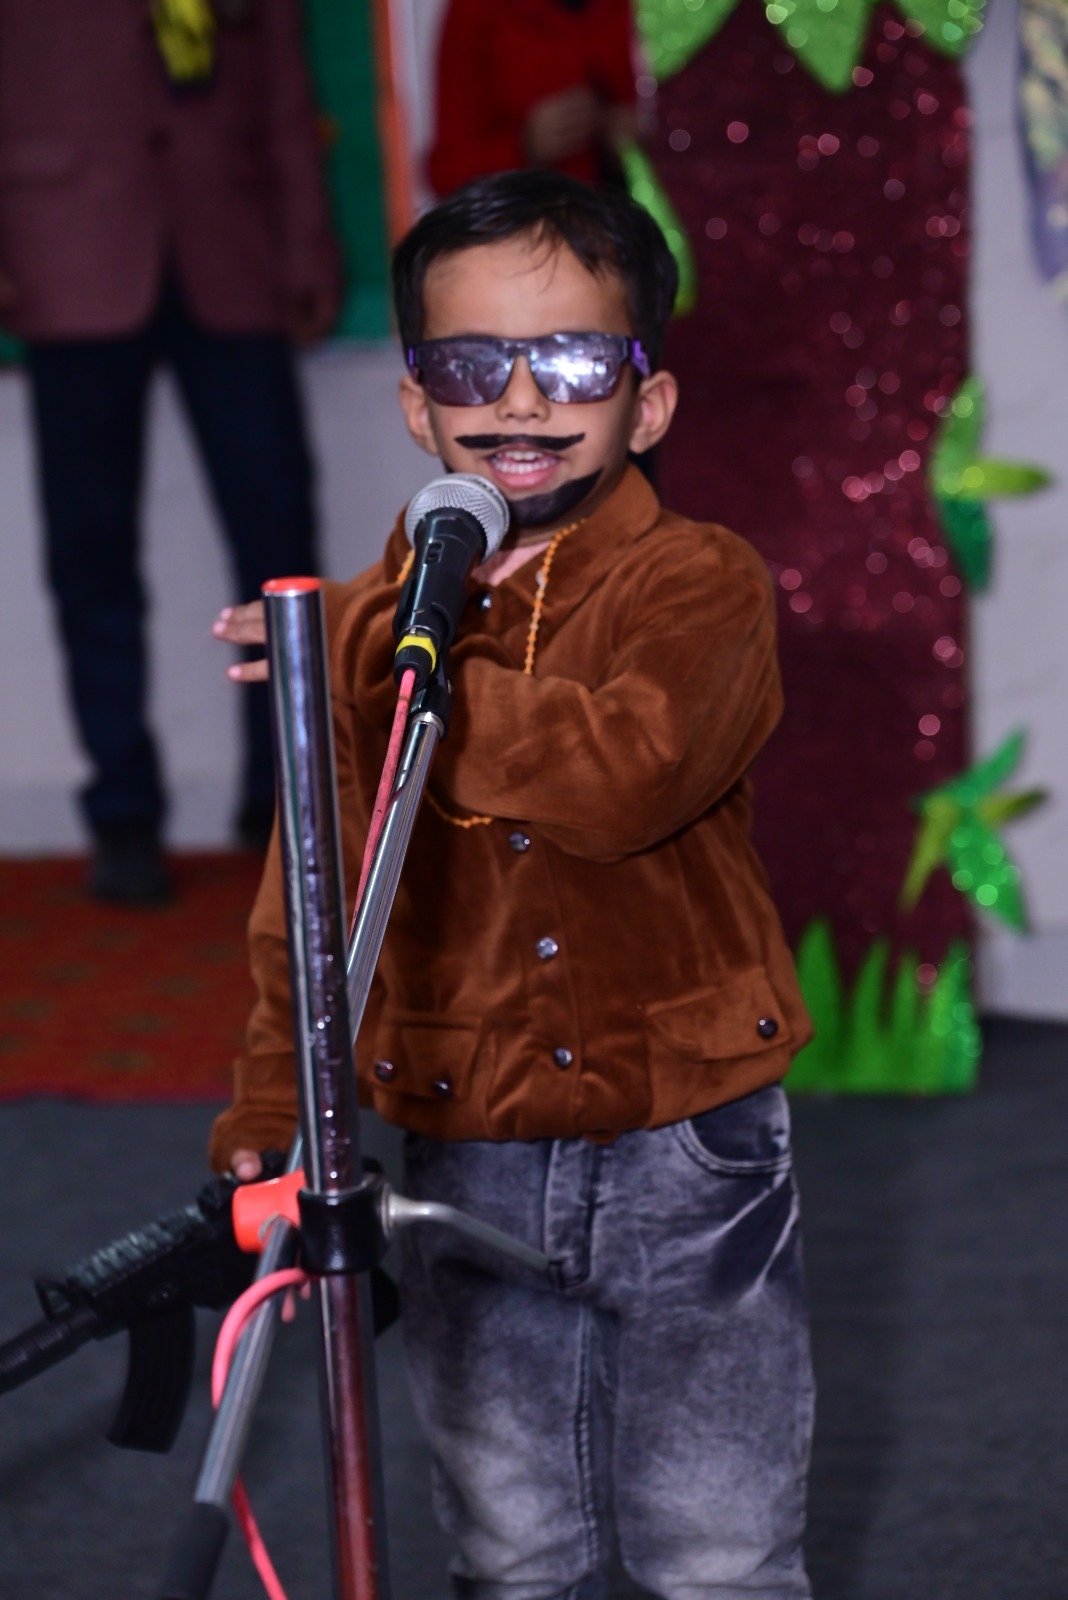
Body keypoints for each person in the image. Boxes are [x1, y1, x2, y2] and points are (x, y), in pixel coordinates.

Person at [211, 171, 816, 1599]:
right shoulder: (377, 623)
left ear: (647, 404)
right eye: (472, 364)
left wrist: (387, 665)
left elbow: (626, 776)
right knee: (511, 1538)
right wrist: (271, 1104)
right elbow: (313, 891)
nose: (523, 399)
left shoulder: (701, 584)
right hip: (461, 1129)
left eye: (574, 362)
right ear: (417, 405)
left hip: (685, 1142)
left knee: (718, 1542)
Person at [0, 0, 341, 903]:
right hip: (65, 248)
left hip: (231, 247)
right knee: (90, 550)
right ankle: (123, 810)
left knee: (278, 537)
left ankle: (285, 798)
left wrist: (307, 244)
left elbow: (283, 91)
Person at [426, 0, 640, 198]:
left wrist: (639, 137)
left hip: (629, 209)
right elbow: (449, 173)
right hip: (531, 213)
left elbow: (651, 115)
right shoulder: (477, 10)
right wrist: (525, 147)